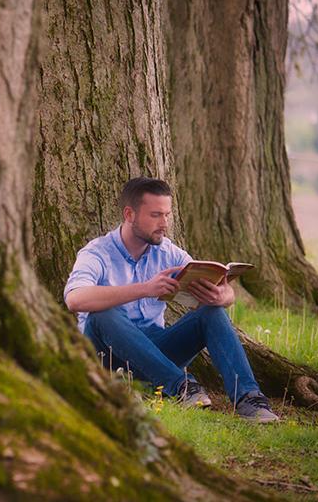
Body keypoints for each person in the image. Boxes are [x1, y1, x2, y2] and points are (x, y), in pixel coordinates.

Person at [63, 177, 279, 423]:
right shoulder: (97, 252)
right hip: (108, 357)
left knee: (212, 313)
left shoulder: (167, 252)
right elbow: (75, 299)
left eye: (167, 215)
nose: (164, 223)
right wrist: (144, 288)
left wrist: (222, 296)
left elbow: (224, 290)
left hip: (156, 352)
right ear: (129, 214)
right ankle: (180, 387)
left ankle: (249, 399)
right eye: (156, 215)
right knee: (104, 314)